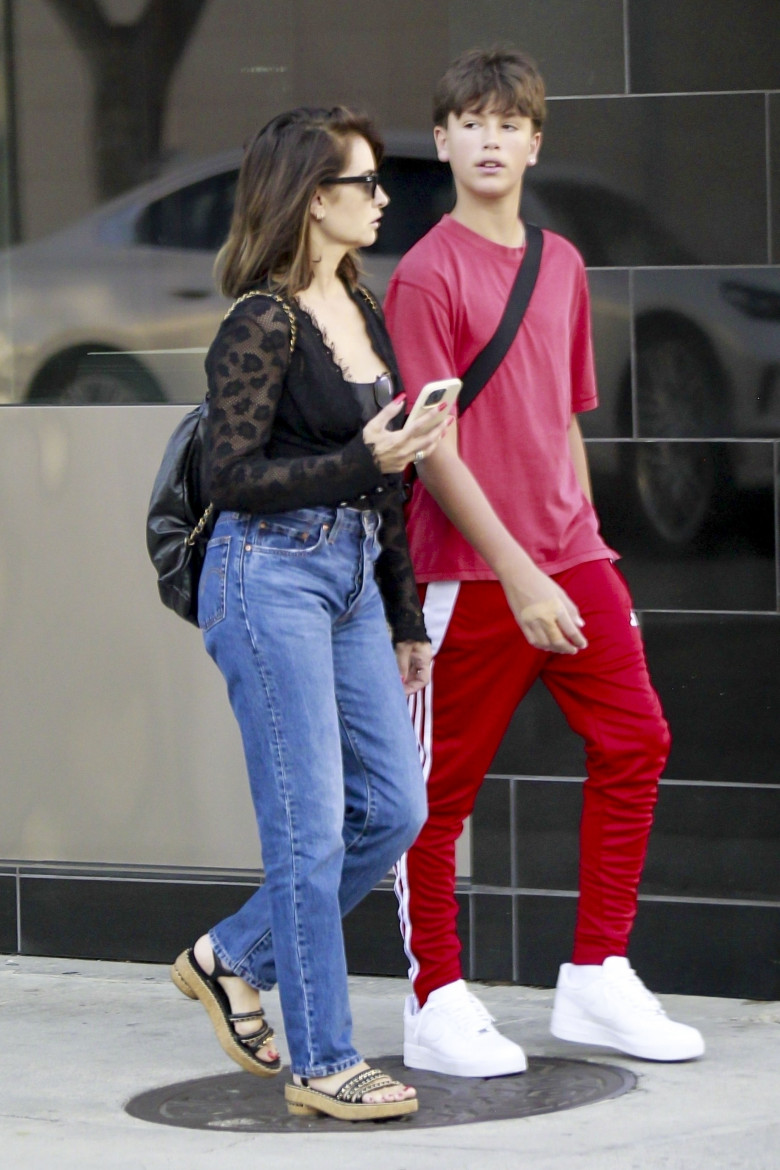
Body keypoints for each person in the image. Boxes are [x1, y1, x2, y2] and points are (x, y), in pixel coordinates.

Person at [383, 47, 705, 1077]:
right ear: (442, 141)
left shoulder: (558, 264)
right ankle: (435, 998)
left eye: (506, 122)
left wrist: (582, 546)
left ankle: (598, 975)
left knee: (636, 739)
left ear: (534, 140)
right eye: (467, 121)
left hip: (572, 557)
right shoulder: (426, 273)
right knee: (434, 796)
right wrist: (517, 570)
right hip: (469, 574)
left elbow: (565, 418)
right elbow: (432, 445)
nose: (488, 138)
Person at [170, 106, 453, 1121]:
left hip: (348, 580)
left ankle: (231, 956)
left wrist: (406, 614)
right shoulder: (263, 320)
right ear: (311, 197)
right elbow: (234, 477)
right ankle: (324, 1062)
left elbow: (390, 481)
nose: (381, 199)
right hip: (266, 579)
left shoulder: (357, 304)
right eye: (364, 184)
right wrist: (359, 460)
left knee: (397, 810)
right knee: (310, 833)